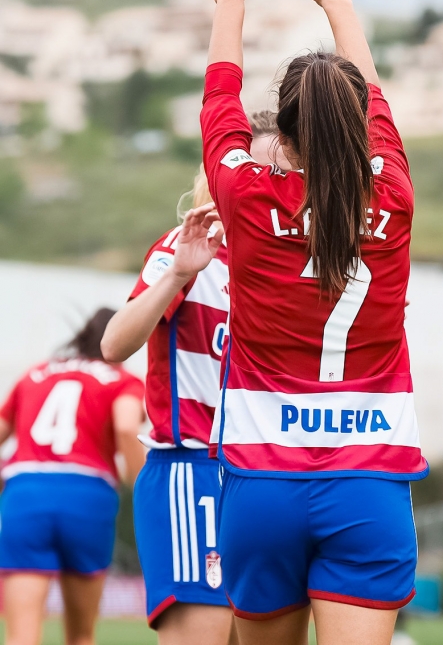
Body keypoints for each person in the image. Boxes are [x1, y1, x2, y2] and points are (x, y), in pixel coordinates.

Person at [200, 0, 427, 645]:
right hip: (369, 483)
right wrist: (340, 4)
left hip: (261, 481)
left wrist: (229, 3)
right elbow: (377, 97)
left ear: (286, 133)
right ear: (363, 127)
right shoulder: (393, 193)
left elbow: (220, 102)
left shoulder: (243, 191)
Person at [101, 114, 288, 645]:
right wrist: (181, 273)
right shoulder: (188, 248)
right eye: (258, 168)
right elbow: (115, 344)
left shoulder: (281, 262)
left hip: (262, 473)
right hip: (193, 466)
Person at [0, 308, 145, 645]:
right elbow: (126, 426)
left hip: (26, 492)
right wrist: (140, 486)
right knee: (81, 634)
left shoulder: (36, 374)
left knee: (21, 635)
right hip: (87, 495)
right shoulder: (123, 380)